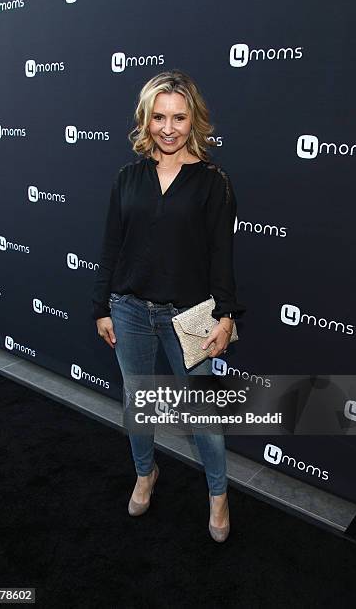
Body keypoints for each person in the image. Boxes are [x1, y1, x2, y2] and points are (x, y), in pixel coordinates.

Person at [92, 69, 246, 543]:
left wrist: (226, 316)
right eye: (159, 117)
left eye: (179, 117)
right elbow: (112, 246)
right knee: (138, 402)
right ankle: (145, 473)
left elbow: (222, 254)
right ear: (146, 120)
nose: (168, 127)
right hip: (130, 309)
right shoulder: (128, 177)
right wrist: (102, 307)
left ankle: (218, 495)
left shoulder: (213, 182)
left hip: (192, 315)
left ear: (193, 119)